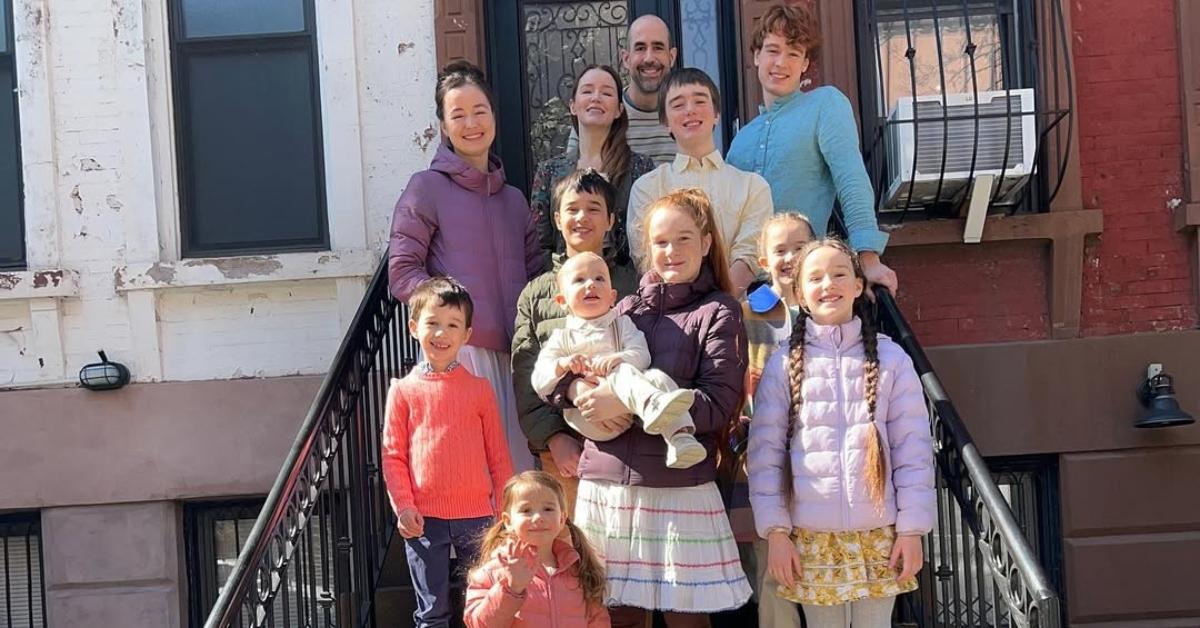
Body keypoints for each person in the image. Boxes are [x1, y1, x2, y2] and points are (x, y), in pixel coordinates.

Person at [555, 188, 752, 627]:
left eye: (684, 239)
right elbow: (559, 366)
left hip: (677, 486)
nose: (671, 251)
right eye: (661, 241)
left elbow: (718, 404)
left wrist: (629, 400)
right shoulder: (622, 309)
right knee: (618, 618)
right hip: (607, 484)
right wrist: (576, 393)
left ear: (705, 243)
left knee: (686, 620)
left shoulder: (719, 312)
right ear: (648, 248)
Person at [747, 238, 935, 626]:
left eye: (839, 274)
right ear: (799, 292)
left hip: (879, 537)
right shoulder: (782, 366)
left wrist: (912, 529)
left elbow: (913, 449)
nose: (828, 284)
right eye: (815, 277)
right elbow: (765, 454)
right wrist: (777, 534)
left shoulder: (892, 360)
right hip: (813, 540)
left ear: (857, 286)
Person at [389, 61, 542, 472]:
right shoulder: (426, 188)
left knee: (518, 482)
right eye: (458, 114)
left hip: (516, 359)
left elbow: (536, 278)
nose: (471, 123)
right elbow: (403, 272)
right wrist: (450, 318)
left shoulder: (514, 201)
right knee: (469, 479)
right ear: (442, 125)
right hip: (462, 356)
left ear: (493, 116)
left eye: (480, 111)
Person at [726, 4, 899, 296]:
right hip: (746, 296)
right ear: (756, 56)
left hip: (805, 285)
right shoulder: (741, 139)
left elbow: (852, 180)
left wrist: (868, 258)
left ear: (805, 64)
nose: (781, 62)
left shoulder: (825, 105)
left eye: (793, 53)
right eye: (772, 50)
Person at [381, 277, 515, 628]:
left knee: (484, 603)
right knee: (432, 612)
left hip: (479, 516)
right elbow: (393, 455)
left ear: (467, 334)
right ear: (414, 328)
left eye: (453, 325)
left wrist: (504, 509)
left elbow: (498, 455)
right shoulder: (403, 391)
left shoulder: (479, 389)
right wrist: (405, 505)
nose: (442, 333)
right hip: (425, 517)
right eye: (433, 323)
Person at [513, 169, 641, 515]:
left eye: (594, 208)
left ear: (612, 218)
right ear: (557, 219)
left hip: (629, 440)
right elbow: (526, 373)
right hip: (565, 450)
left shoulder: (634, 283)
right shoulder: (536, 293)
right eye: (572, 209)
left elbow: (650, 355)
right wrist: (553, 438)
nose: (582, 217)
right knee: (571, 544)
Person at [531, 252, 706, 469]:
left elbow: (642, 355)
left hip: (629, 410)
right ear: (562, 301)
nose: (591, 285)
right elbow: (539, 380)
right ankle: (652, 404)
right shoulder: (562, 338)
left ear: (613, 296)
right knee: (623, 372)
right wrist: (563, 365)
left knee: (656, 376)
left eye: (599, 278)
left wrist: (619, 358)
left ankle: (681, 439)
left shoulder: (621, 324)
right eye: (579, 280)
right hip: (590, 417)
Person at [728, 213, 813, 628]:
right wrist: (743, 447)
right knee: (773, 567)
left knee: (818, 564)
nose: (791, 257)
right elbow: (738, 389)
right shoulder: (749, 314)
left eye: (800, 247)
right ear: (763, 258)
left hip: (819, 462)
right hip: (766, 460)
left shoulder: (831, 307)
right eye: (780, 250)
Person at [628, 68, 772, 297]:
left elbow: (749, 254)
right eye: (678, 104)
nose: (690, 110)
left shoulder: (753, 187)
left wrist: (719, 305)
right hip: (670, 317)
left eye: (699, 101)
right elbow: (646, 256)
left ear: (716, 113)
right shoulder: (647, 188)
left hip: (734, 315)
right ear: (665, 122)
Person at [531, 65, 656, 263]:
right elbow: (540, 244)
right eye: (587, 91)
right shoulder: (549, 172)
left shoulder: (641, 168)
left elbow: (651, 238)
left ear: (619, 110)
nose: (596, 97)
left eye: (606, 93)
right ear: (572, 106)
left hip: (626, 286)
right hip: (564, 283)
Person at [464, 471, 609, 628]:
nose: (538, 517)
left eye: (548, 509)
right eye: (526, 510)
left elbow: (598, 620)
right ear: (508, 521)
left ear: (562, 519)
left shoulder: (580, 570)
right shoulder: (493, 572)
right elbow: (479, 625)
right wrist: (512, 589)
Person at [567, 15, 678, 164]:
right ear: (626, 59)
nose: (649, 58)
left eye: (658, 47)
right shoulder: (600, 112)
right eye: (640, 48)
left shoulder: (686, 115)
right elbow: (572, 177)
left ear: (671, 57)